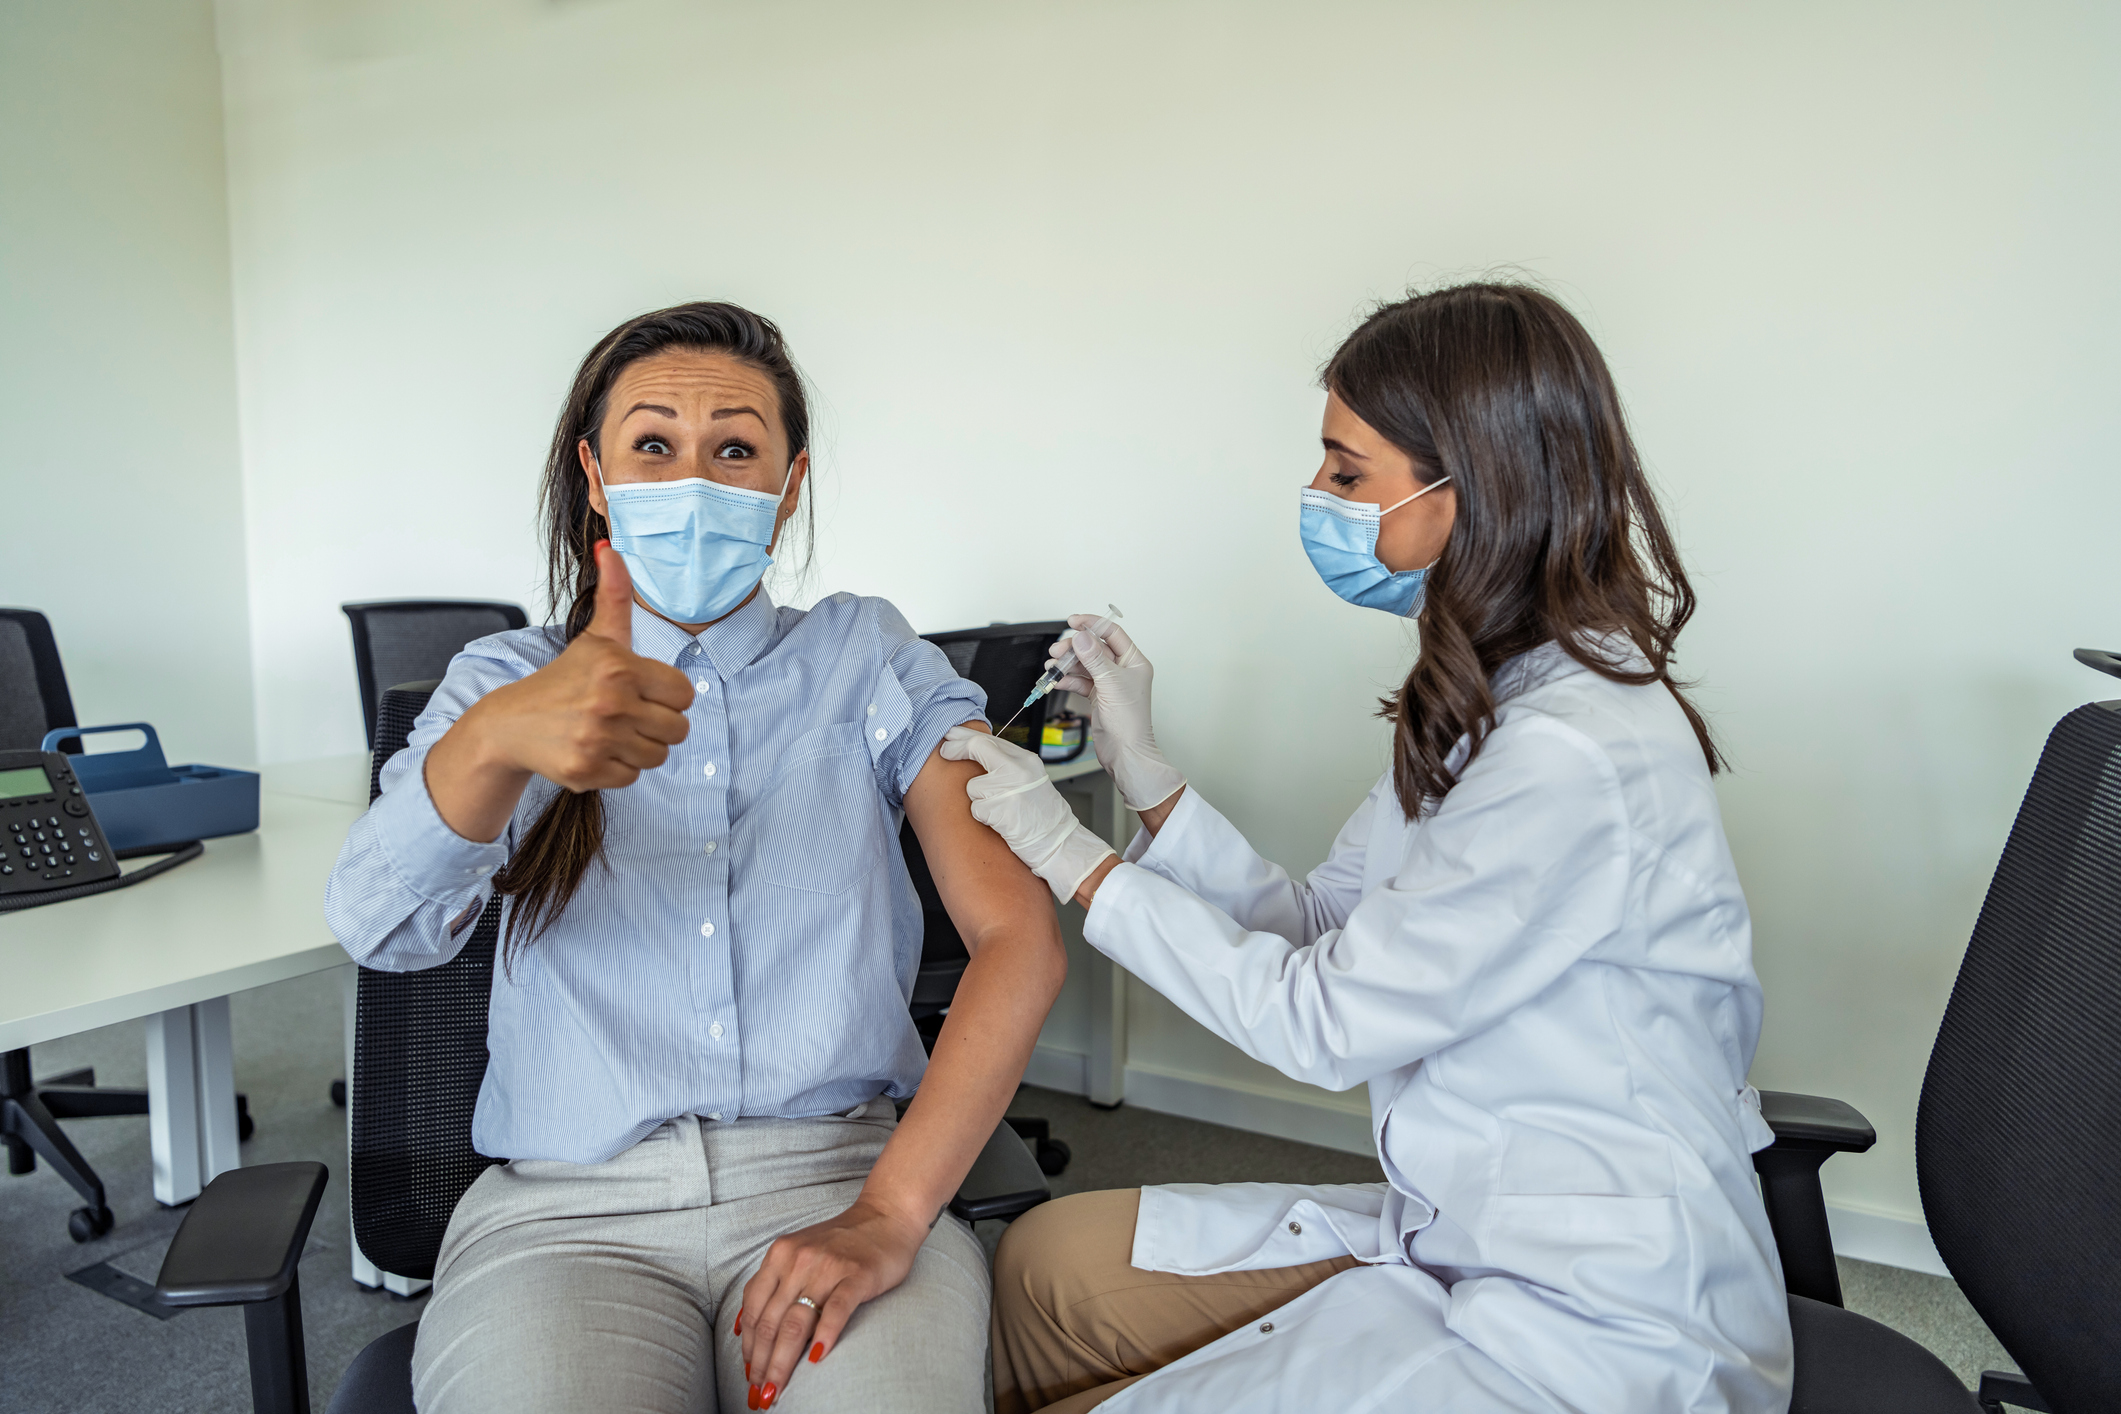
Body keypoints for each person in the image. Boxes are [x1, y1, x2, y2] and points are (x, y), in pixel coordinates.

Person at [943, 283, 1791, 1413]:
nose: (1316, 498)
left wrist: (1073, 859)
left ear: (1472, 489)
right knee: (1041, 1278)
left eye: (1348, 474)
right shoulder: (1486, 690)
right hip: (1460, 1218)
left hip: (1592, 1316)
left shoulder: (1569, 752)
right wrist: (1147, 779)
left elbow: (1322, 1021)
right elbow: (1321, 929)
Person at [325, 302, 1065, 1414]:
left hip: (837, 1177)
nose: (696, 479)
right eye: (653, 445)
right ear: (594, 471)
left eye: (735, 448)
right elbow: (378, 927)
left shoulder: (866, 655)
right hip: (566, 1216)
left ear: (789, 481)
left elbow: (1018, 937)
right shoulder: (502, 678)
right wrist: (498, 742)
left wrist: (892, 1212)